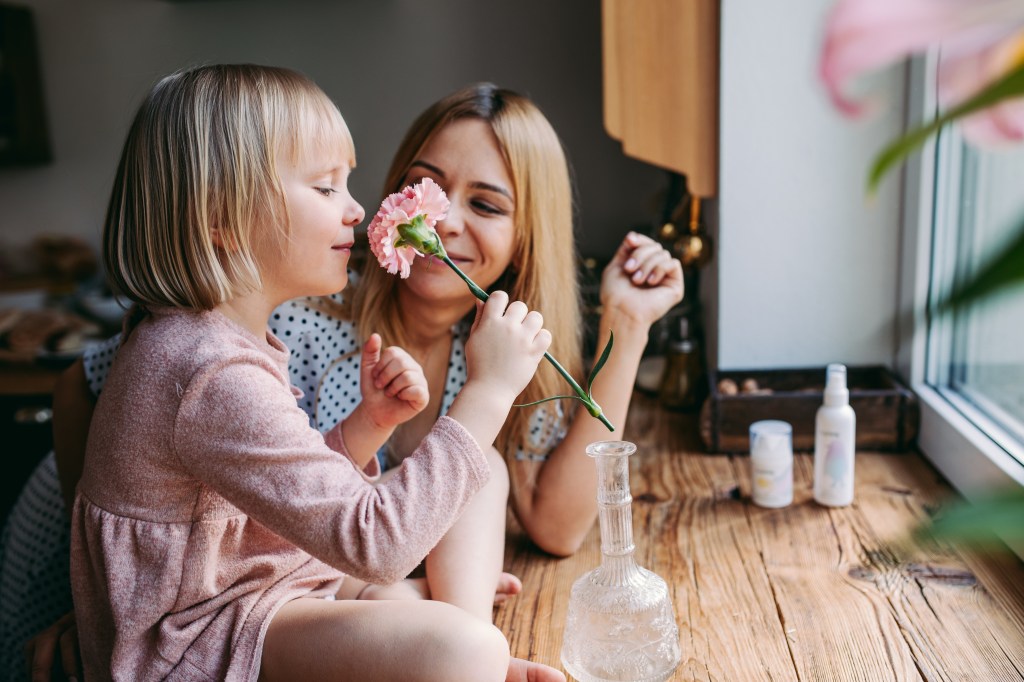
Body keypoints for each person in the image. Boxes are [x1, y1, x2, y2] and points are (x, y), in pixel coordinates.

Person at [8, 82, 682, 680]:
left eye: (486, 204)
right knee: (445, 631)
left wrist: (370, 424)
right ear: (224, 221)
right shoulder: (262, 332)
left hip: (273, 568)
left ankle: (459, 635)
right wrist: (98, 592)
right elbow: (85, 395)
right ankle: (465, 647)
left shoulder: (240, 336)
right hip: (205, 614)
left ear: (525, 241)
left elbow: (286, 484)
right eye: (328, 186)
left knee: (483, 480)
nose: (441, 220)